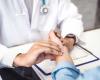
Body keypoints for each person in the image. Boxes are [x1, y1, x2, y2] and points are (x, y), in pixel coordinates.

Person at [0, 0, 83, 79]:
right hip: (7, 61)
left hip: (46, 58)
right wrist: (17, 58)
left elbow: (71, 17)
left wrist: (69, 39)